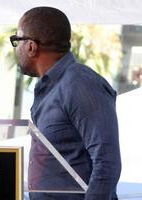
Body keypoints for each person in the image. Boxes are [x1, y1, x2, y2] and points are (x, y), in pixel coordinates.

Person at [10, 7, 121, 200]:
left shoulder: (81, 84)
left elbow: (107, 164)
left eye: (16, 40)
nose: (16, 47)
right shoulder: (51, 86)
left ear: (30, 46)